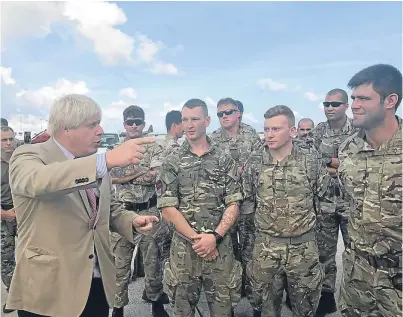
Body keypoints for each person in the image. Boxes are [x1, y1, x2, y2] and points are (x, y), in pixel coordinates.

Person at [5, 94, 159, 317]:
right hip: (50, 287)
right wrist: (105, 161)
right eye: (92, 124)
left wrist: (131, 220)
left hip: (94, 281)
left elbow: (107, 207)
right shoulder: (29, 154)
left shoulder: (93, 160)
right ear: (67, 128)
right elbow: (37, 182)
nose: (100, 130)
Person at [157, 98, 243, 317]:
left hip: (219, 250)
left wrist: (214, 237)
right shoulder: (172, 160)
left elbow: (233, 203)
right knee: (183, 311)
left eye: (194, 119)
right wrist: (199, 240)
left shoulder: (224, 159)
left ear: (207, 120)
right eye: (185, 119)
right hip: (185, 252)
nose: (189, 125)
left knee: (223, 311)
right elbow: (167, 208)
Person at [244, 105, 329, 317]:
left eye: (276, 129)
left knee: (305, 307)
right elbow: (247, 202)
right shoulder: (255, 161)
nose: (270, 135)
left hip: (303, 248)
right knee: (266, 308)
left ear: (292, 131)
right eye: (266, 129)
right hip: (266, 247)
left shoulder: (310, 159)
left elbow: (325, 199)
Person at [338, 64, 402, 317]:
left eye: (364, 98)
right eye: (353, 98)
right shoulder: (348, 149)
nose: (354, 105)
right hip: (358, 276)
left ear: (390, 100)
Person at [110, 105, 169, 317]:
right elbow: (108, 177)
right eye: (130, 122)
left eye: (138, 122)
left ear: (144, 123)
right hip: (121, 214)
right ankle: (118, 307)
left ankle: (155, 302)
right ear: (124, 123)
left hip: (149, 210)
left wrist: (123, 174)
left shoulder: (154, 147)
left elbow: (154, 175)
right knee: (120, 264)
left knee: (153, 261)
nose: (134, 126)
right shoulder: (115, 150)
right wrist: (139, 172)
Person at [308, 88, 356, 316]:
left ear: (345, 106)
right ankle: (326, 298)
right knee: (324, 254)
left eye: (335, 104)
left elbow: (358, 161)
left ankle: (356, 298)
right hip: (325, 204)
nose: (329, 108)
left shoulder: (358, 129)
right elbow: (311, 160)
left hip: (351, 204)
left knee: (355, 253)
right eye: (326, 103)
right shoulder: (318, 131)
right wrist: (333, 162)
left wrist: (333, 162)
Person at [210, 97, 262, 299]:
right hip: (225, 205)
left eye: (228, 112)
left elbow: (260, 163)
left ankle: (251, 290)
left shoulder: (251, 135)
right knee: (228, 249)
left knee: (250, 250)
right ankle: (231, 289)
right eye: (220, 114)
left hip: (248, 203)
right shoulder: (213, 139)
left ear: (238, 113)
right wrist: (233, 171)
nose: (224, 117)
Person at [1, 126, 18, 314]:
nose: (8, 143)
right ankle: (13, 296)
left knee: (33, 255)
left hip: (24, 213)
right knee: (6, 260)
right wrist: (4, 214)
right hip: (2, 215)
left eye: (10, 139)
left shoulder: (22, 159)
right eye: (3, 140)